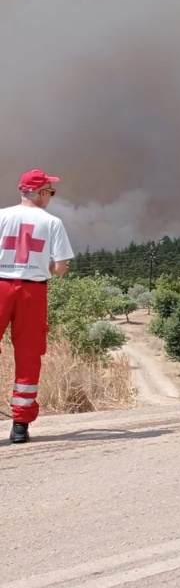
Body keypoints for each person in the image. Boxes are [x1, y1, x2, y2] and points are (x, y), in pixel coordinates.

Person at [0, 169, 74, 444]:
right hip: (32, 292)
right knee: (29, 354)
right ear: (41, 193)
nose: (51, 197)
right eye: (50, 192)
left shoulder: (1, 216)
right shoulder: (52, 222)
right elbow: (60, 268)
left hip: (0, 286)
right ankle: (20, 425)